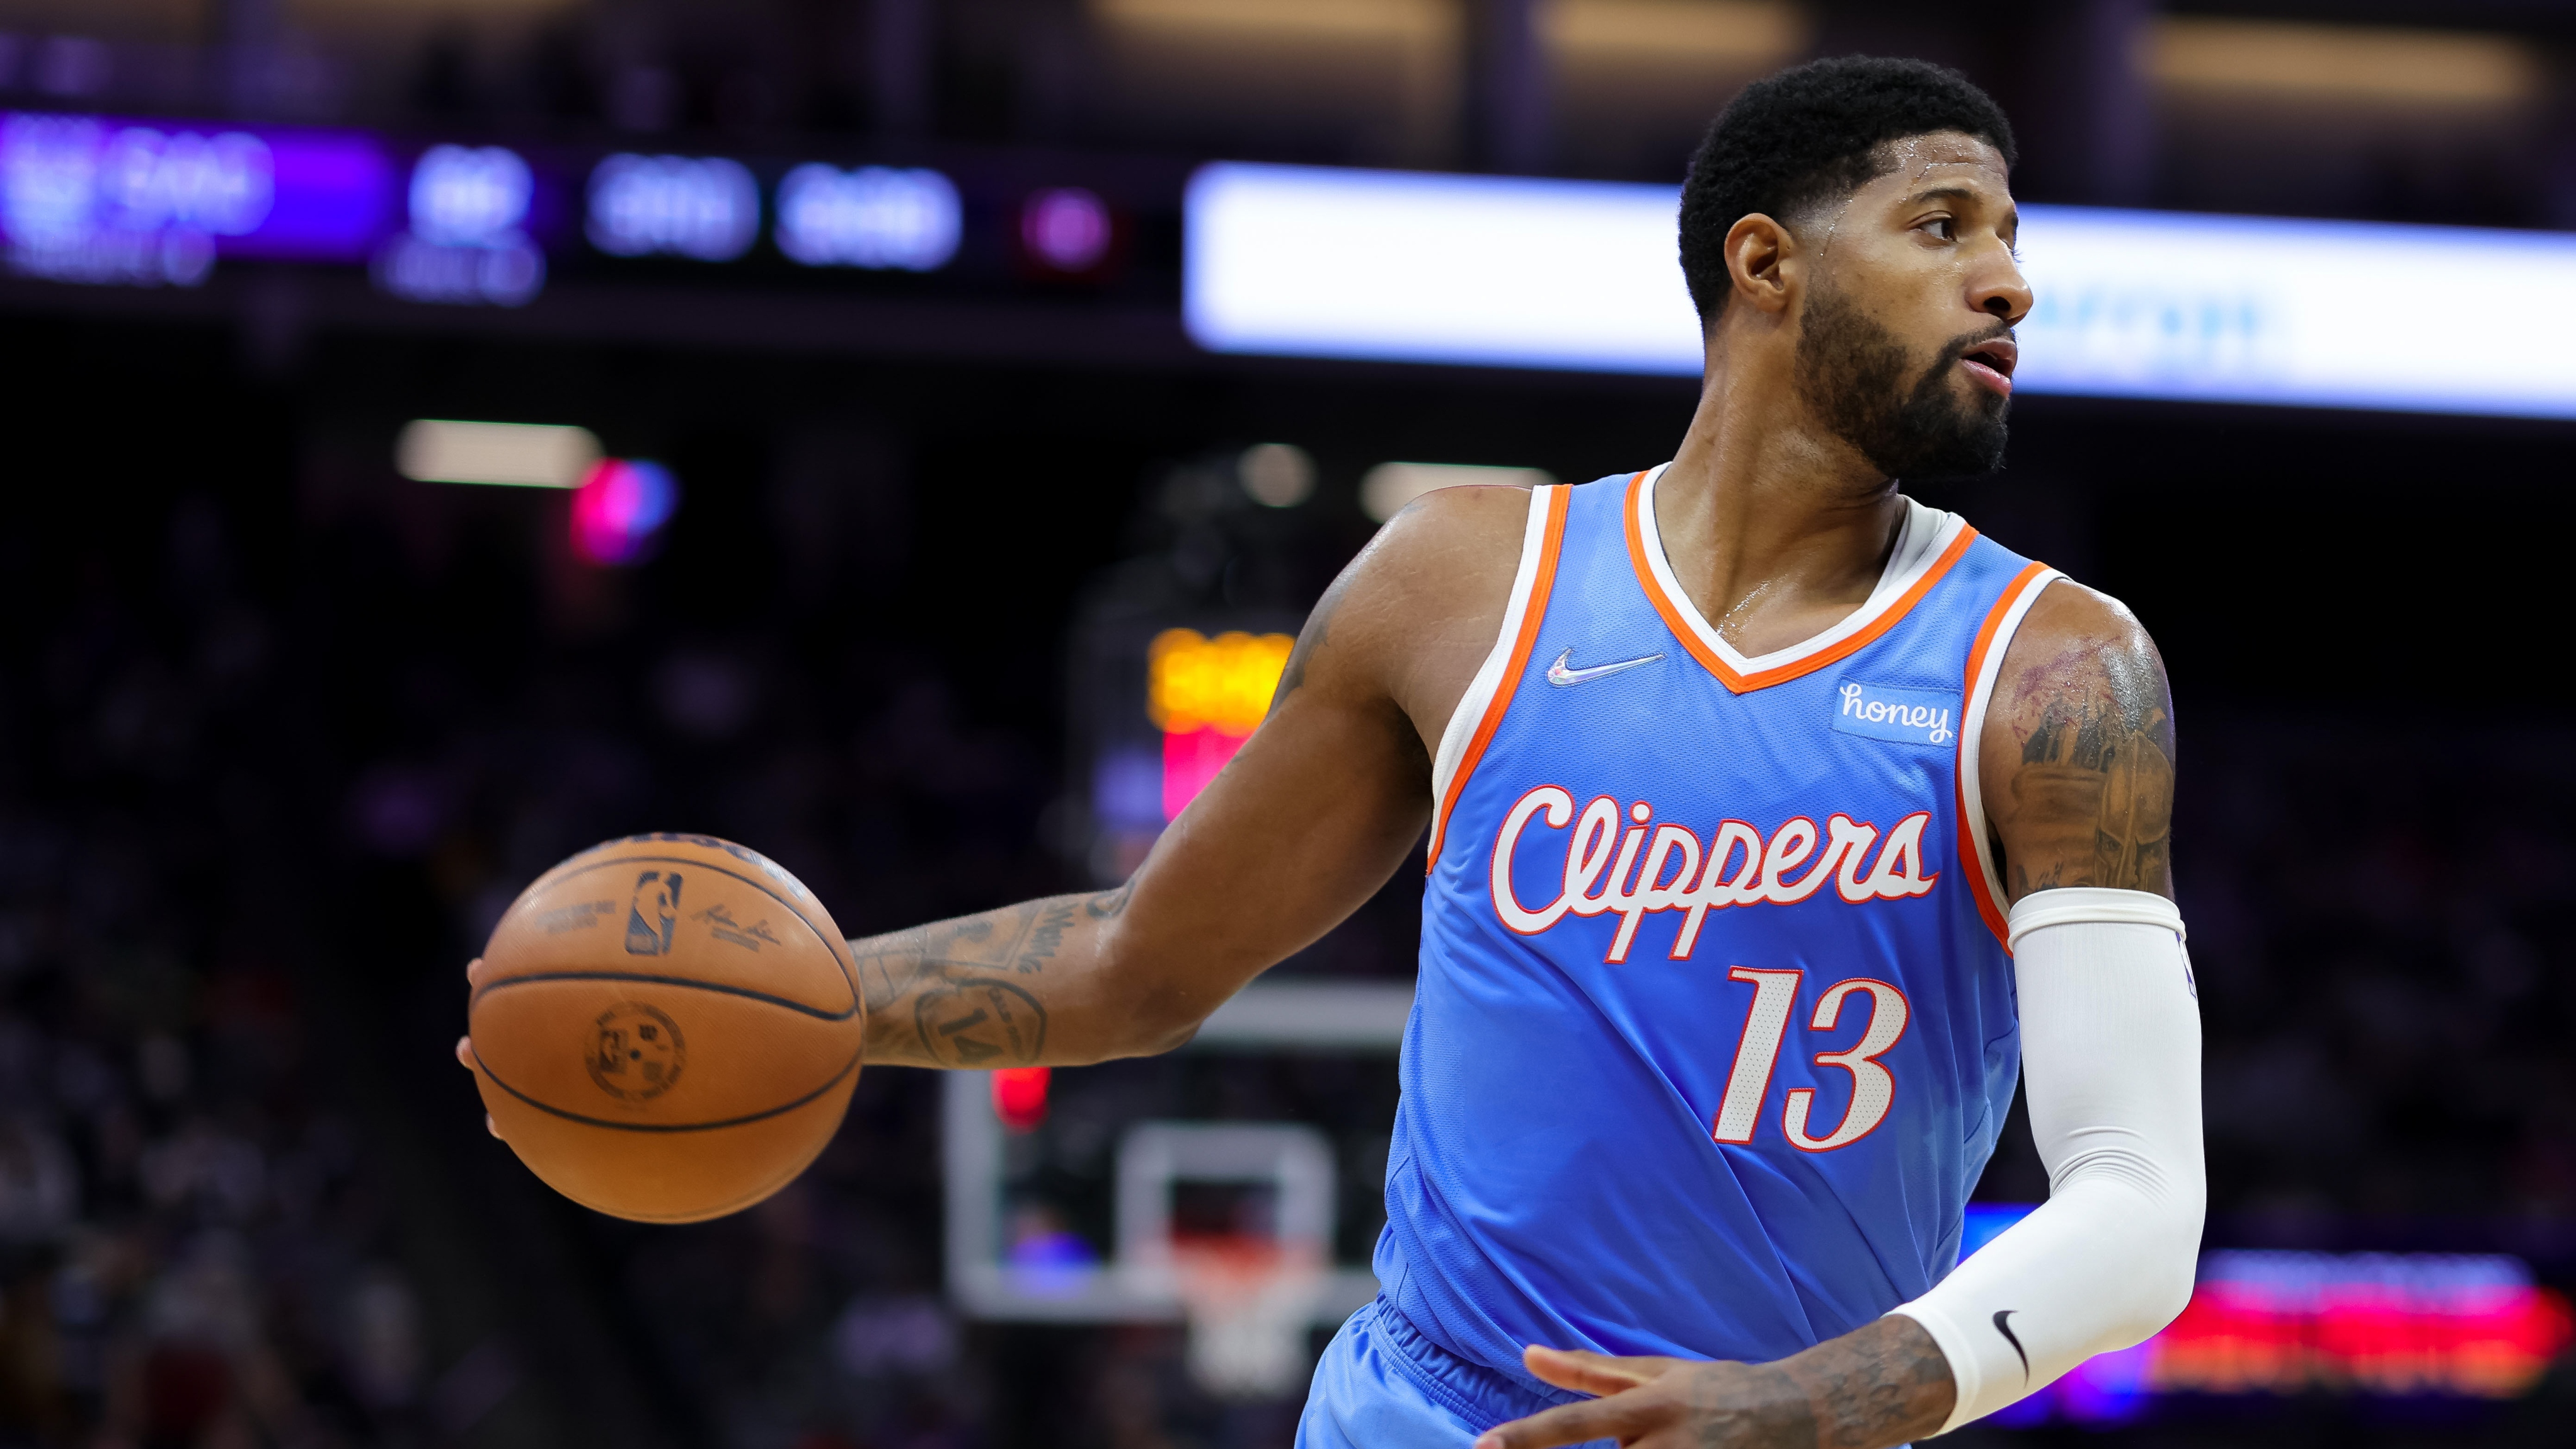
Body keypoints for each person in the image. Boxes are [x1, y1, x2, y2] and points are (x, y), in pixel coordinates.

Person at [471, 54, 2206, 1449]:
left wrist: (1811, 1404)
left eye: (2012, 237)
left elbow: (2136, 1205)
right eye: (1943, 225)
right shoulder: (1462, 583)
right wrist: (811, 997)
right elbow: (1139, 961)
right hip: (1420, 1412)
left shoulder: (2057, 670)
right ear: (1767, 264)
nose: (2010, 279)